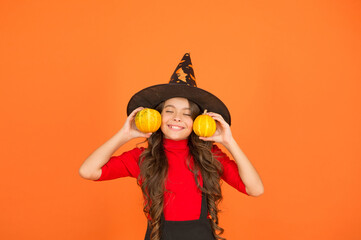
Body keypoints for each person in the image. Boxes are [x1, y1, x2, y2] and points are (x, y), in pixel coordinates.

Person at [79, 53, 264, 240]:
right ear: (157, 117)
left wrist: (229, 142)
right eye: (169, 111)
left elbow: (255, 189)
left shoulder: (210, 156)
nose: (177, 118)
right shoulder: (142, 158)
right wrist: (124, 135)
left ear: (197, 121)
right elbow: (88, 171)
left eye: (186, 114)